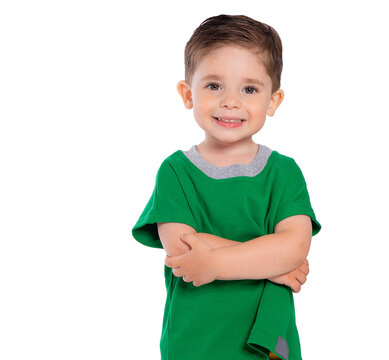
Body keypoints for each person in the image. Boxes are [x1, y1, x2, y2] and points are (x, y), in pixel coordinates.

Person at [131, 14, 322, 360]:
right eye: (214, 85)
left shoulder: (283, 172)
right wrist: (274, 262)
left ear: (273, 101)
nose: (230, 101)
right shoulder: (176, 171)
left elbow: (296, 244)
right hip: (196, 341)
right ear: (188, 94)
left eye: (249, 89)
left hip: (269, 337)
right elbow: (184, 249)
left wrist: (218, 262)